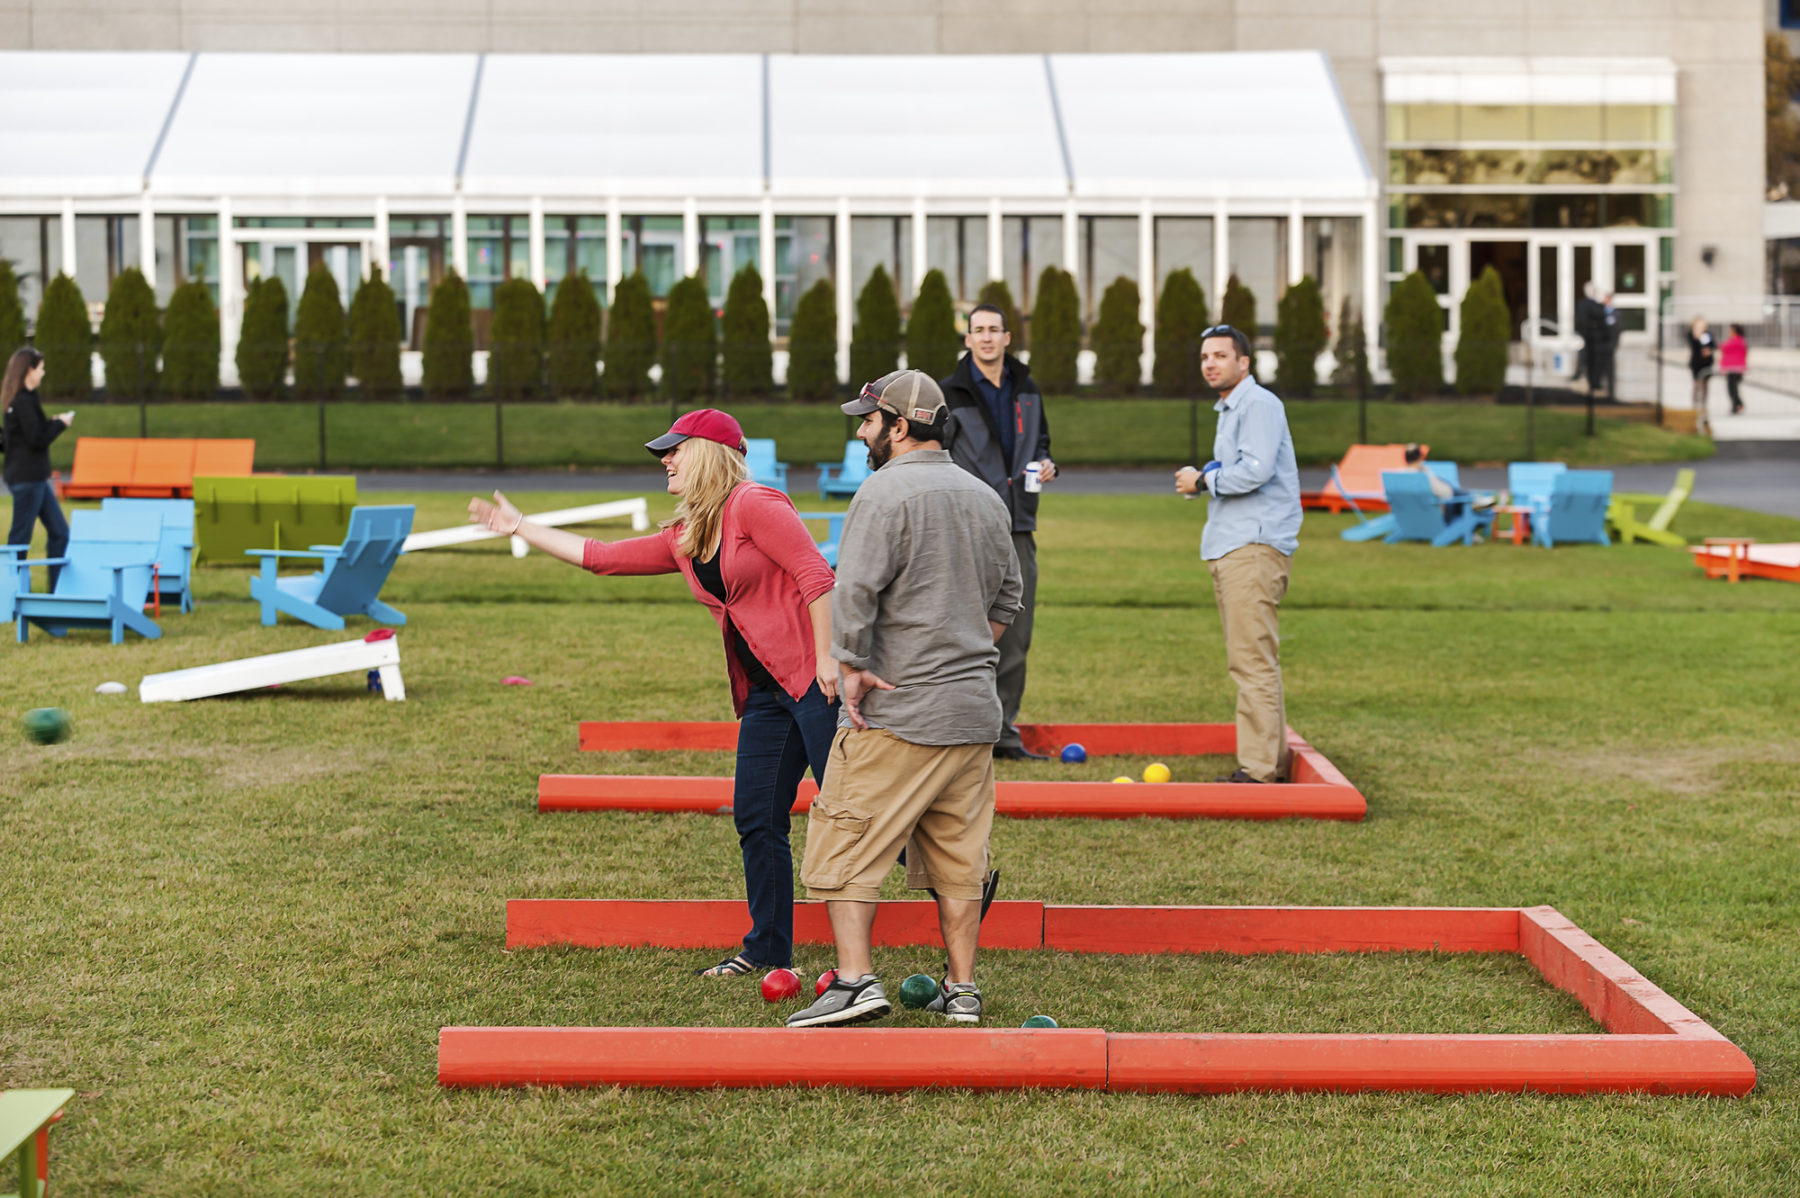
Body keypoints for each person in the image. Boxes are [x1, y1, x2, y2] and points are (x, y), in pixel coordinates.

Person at [467, 408, 837, 980]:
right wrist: (520, 526)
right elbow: (601, 558)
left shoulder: (755, 505)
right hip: (765, 694)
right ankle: (766, 949)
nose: (665, 459)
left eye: (677, 449)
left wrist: (831, 660)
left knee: (858, 810)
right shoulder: (689, 536)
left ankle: (960, 877)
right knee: (757, 817)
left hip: (814, 682)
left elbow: (816, 575)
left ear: (711, 454)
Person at [785, 370, 1022, 1028]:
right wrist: (959, 652)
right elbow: (1008, 602)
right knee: (959, 857)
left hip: (899, 711)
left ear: (899, 425)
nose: (860, 432)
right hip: (973, 713)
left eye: (868, 421)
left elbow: (854, 589)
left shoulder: (883, 491)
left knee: (842, 840)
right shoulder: (984, 497)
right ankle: (963, 991)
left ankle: (856, 982)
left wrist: (853, 665)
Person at [1174, 325, 1302, 785]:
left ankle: (1261, 770)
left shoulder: (1258, 404)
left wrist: (1205, 481)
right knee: (1250, 658)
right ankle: (1270, 760)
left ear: (1244, 362)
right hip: (1234, 545)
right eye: (1205, 356)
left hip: (1254, 546)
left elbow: (1256, 470)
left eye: (1221, 356)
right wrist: (1206, 475)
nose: (1210, 363)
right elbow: (1240, 466)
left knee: (1251, 661)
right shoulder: (1232, 408)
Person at [940, 302, 1055, 761]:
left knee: (1016, 634)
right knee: (963, 632)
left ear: (1008, 338)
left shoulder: (1028, 389)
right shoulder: (950, 392)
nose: (986, 337)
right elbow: (937, 454)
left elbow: (1041, 443)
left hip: (1019, 526)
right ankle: (960, 733)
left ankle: (1003, 735)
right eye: (978, 330)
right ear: (967, 340)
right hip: (968, 528)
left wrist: (1048, 464)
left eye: (994, 330)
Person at [2, 347, 74, 589]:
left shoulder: (25, 398)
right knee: (20, 538)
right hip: (28, 479)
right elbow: (36, 439)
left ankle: (56, 591)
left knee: (60, 533)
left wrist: (51, 422)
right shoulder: (21, 400)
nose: (43, 373)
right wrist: (61, 424)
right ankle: (10, 591)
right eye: (41, 368)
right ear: (30, 370)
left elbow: (26, 434)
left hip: (35, 479)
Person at [1687, 316, 1717, 436]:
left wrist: (1708, 351)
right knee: (1696, 383)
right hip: (1696, 363)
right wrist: (1697, 335)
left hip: (1707, 363)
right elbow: (1693, 344)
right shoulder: (1692, 334)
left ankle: (1704, 403)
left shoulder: (1708, 335)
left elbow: (1713, 345)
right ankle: (1695, 404)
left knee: (1705, 384)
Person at [1720, 322, 1747, 416]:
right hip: (1730, 368)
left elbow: (1724, 347)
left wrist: (1742, 368)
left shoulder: (1739, 341)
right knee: (1731, 389)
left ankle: (1737, 405)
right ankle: (1737, 404)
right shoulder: (1732, 340)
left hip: (1736, 369)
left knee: (1733, 389)